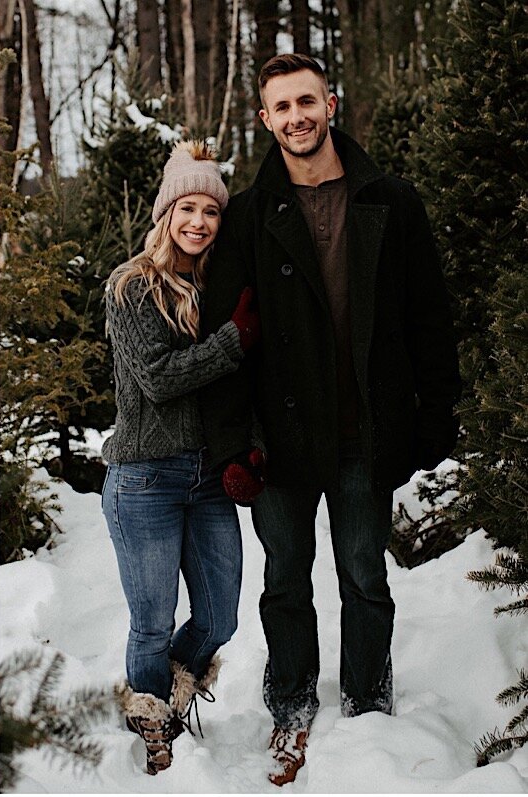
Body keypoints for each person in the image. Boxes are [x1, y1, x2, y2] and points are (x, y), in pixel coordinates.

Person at [199, 53, 462, 786]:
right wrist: (232, 443)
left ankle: (368, 697)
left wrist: (433, 414)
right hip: (277, 439)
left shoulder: (390, 201)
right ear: (264, 120)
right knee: (284, 576)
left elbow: (427, 317)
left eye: (305, 101)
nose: (295, 117)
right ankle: (288, 699)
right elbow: (225, 337)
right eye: (280, 107)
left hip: (363, 429)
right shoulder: (249, 215)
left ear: (331, 104)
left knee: (362, 574)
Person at [101, 140, 264, 776]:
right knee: (151, 619)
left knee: (221, 612)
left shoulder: (218, 284)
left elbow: (234, 385)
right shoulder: (132, 286)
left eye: (212, 211)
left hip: (207, 476)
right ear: (166, 214)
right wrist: (233, 340)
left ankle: (170, 689)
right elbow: (159, 378)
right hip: (145, 477)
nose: (199, 222)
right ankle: (154, 723)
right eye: (187, 208)